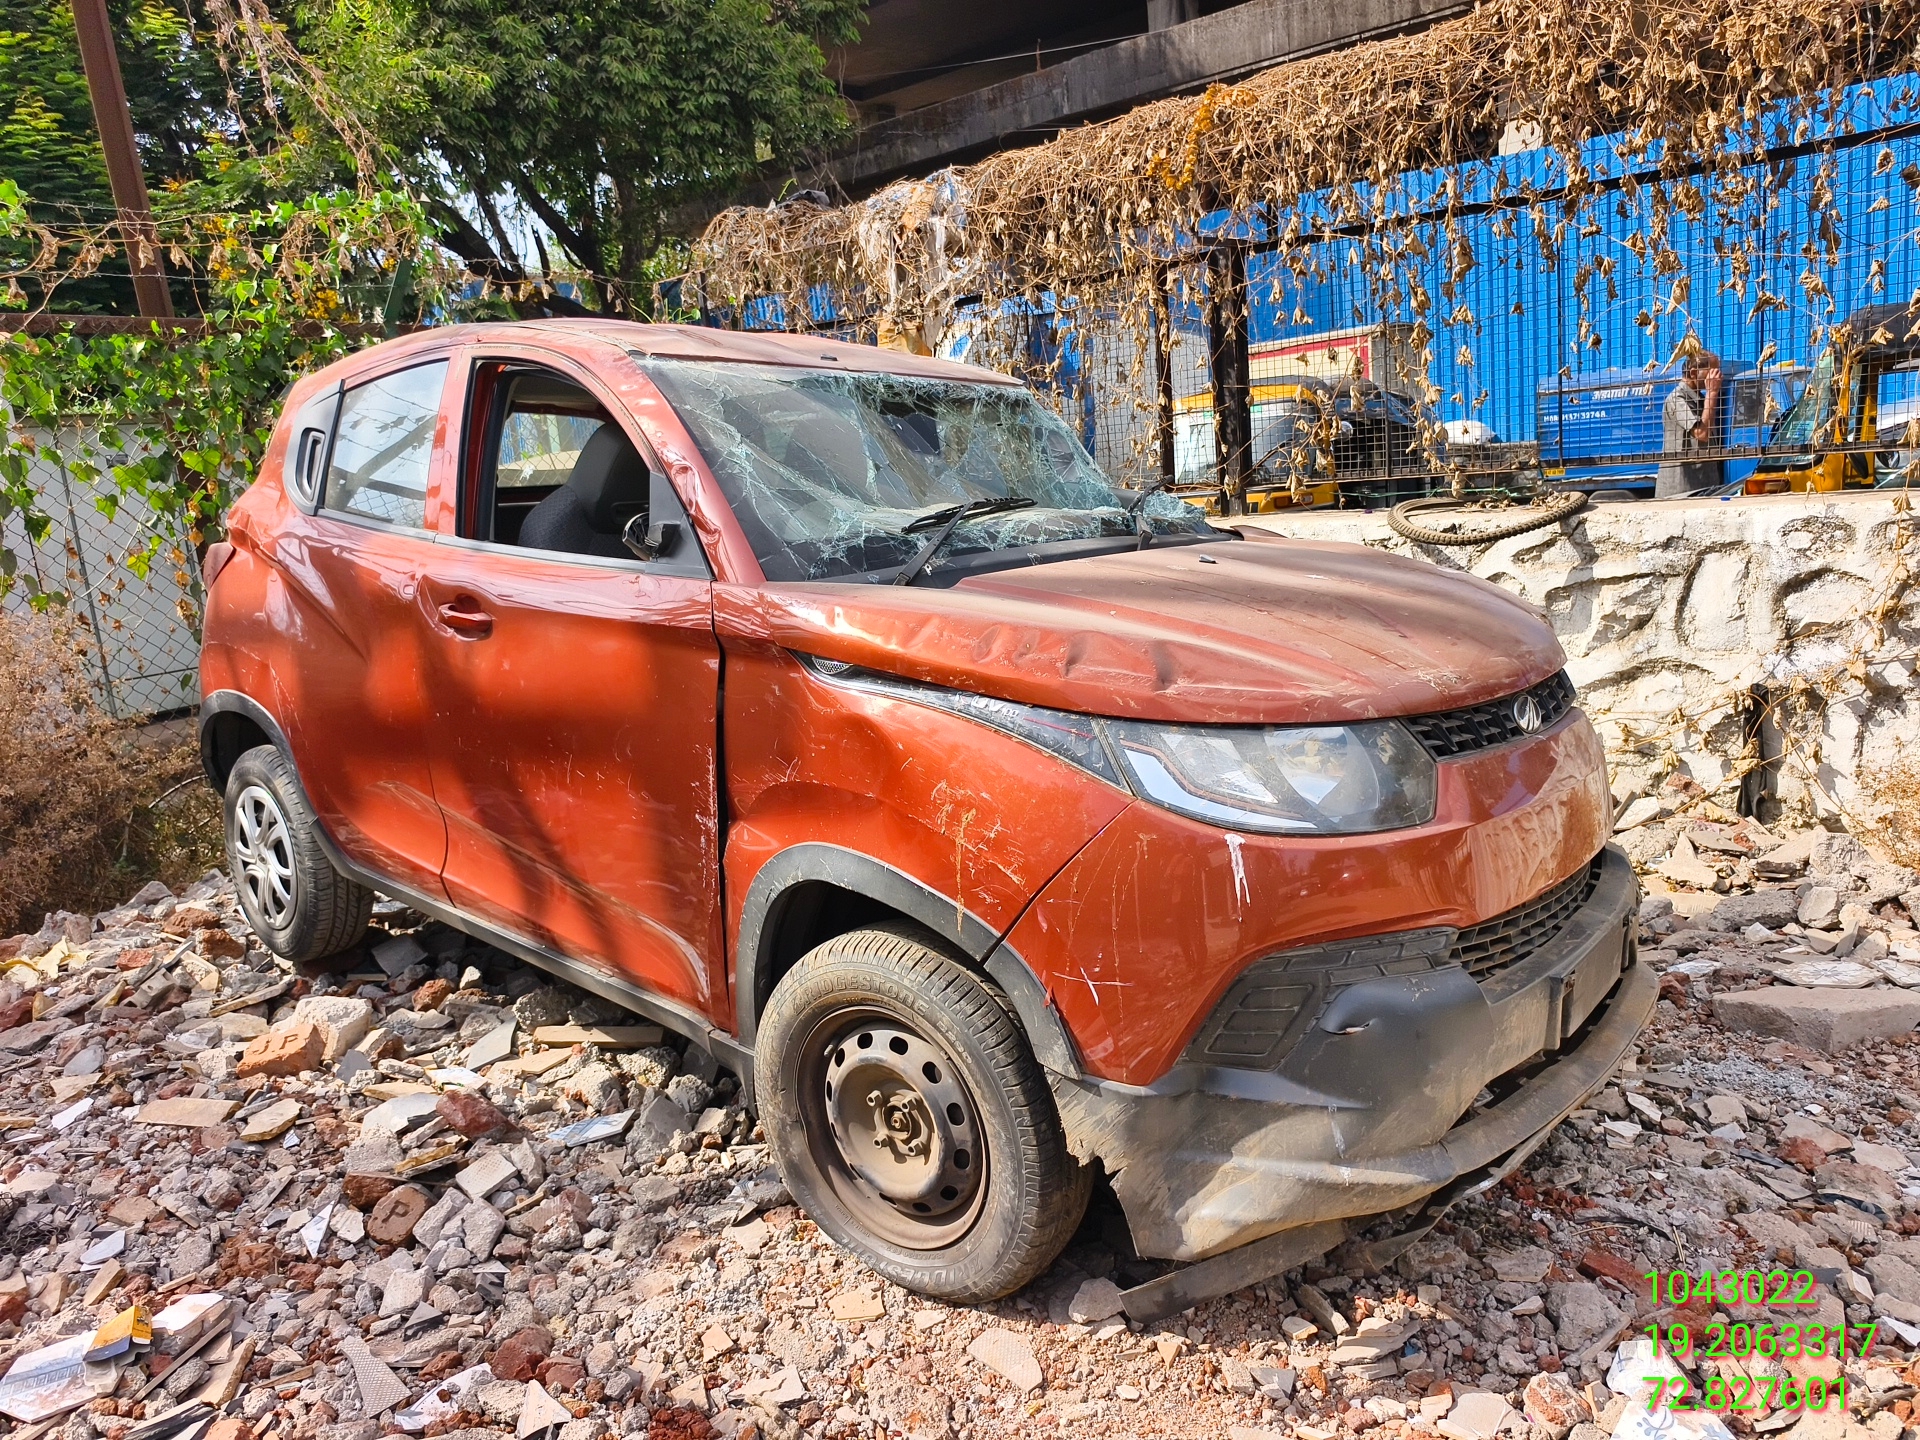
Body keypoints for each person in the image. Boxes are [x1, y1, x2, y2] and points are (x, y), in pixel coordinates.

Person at [1656, 351, 1725, 498]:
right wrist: (1712, 393)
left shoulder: (1700, 399)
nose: (1718, 376)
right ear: (1694, 373)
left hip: (1703, 486)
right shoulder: (1677, 399)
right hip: (1682, 491)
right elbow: (1702, 433)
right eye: (1713, 371)